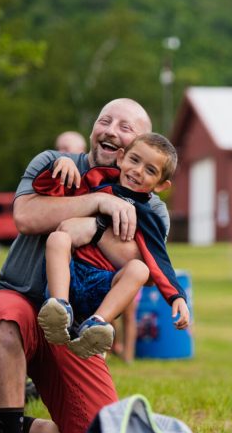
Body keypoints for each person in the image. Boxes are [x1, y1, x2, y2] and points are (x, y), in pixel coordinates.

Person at [0, 99, 172, 433]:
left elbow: (142, 264)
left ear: (138, 145)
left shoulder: (150, 205)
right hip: (20, 298)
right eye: (106, 120)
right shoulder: (54, 164)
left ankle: (16, 427)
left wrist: (93, 226)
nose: (111, 131)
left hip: (76, 331)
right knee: (7, 315)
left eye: (125, 128)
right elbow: (26, 216)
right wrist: (96, 203)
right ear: (93, 128)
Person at [36, 133, 189, 359]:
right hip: (70, 274)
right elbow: (50, 193)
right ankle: (59, 309)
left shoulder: (148, 217)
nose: (138, 171)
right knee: (57, 239)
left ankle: (97, 324)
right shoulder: (94, 184)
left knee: (141, 269)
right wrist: (59, 166)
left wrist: (177, 297)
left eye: (150, 170)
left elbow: (159, 259)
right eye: (134, 160)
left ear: (161, 185)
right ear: (121, 157)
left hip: (103, 284)